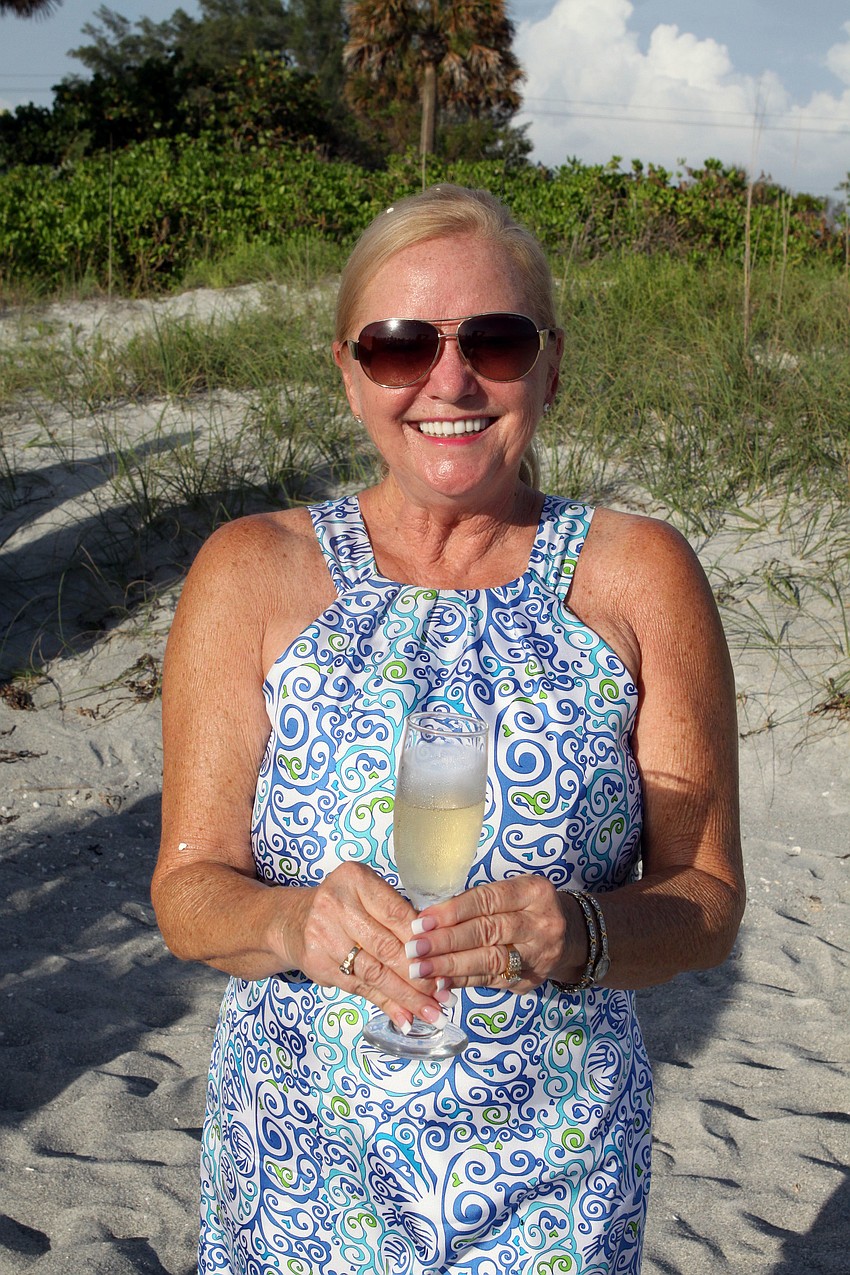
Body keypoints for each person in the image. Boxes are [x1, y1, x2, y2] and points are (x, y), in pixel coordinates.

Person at [151, 184, 745, 1275]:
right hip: (301, 1164)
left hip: (556, 1171)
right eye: (400, 345)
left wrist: (584, 933)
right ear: (349, 372)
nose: (450, 379)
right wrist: (292, 924)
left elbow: (705, 899)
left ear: (551, 368)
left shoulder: (640, 576)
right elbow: (189, 891)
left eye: (496, 341)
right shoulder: (252, 572)